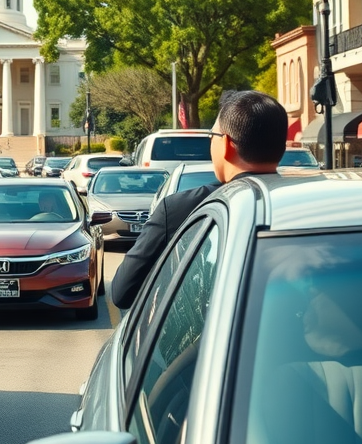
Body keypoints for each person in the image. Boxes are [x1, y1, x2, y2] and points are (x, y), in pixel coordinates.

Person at [111, 91, 288, 309]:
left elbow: (122, 292)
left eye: (212, 137)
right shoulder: (314, 205)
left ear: (226, 145)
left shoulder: (179, 209)